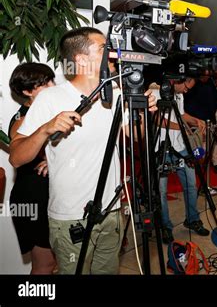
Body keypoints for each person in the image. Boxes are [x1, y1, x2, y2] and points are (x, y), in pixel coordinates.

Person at [9, 27, 157, 274]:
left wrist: (142, 113)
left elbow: (137, 136)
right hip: (70, 216)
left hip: (111, 211)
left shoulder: (117, 94)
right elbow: (16, 157)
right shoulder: (51, 98)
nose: (112, 54)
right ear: (81, 59)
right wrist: (46, 129)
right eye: (103, 48)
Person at [8, 63, 56, 274]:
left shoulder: (54, 111)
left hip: (50, 193)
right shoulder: (22, 120)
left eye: (52, 80)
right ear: (27, 92)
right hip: (33, 196)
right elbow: (19, 154)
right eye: (44, 84)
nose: (53, 86)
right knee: (45, 264)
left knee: (55, 262)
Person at [151, 77, 211, 244]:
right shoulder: (156, 91)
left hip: (180, 147)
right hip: (160, 149)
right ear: (176, 81)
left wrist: (196, 121)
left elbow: (181, 114)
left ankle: (192, 219)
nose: (186, 91)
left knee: (191, 185)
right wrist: (182, 127)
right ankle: (165, 227)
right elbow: (156, 119)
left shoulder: (179, 95)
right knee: (161, 192)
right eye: (186, 86)